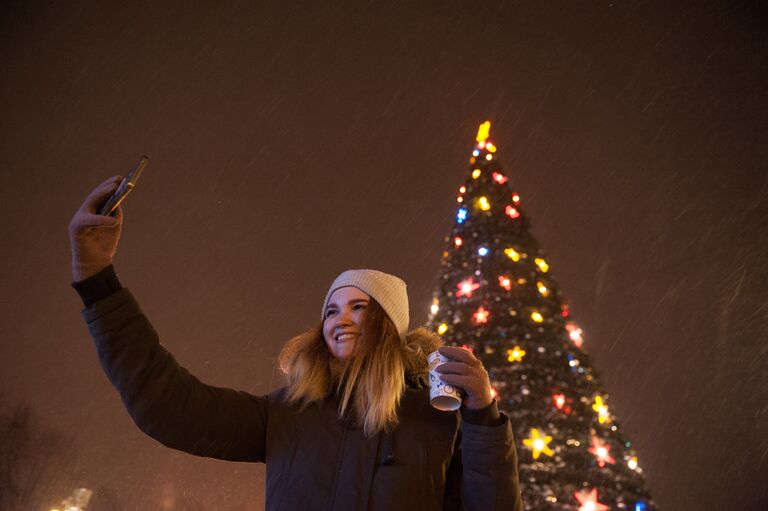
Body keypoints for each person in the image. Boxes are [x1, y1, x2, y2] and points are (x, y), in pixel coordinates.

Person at [68, 176, 524, 510]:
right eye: (330, 310)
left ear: (390, 326)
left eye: (359, 308)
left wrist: (483, 418)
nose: (339, 320)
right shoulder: (287, 414)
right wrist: (97, 282)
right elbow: (166, 404)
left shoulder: (436, 422)